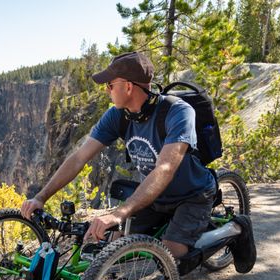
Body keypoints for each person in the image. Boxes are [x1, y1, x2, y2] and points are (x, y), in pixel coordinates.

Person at [20, 51, 218, 261]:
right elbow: (80, 157)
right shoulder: (117, 115)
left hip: (192, 194)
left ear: (129, 86)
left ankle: (234, 230)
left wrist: (118, 213)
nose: (107, 90)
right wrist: (41, 197)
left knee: (170, 255)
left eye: (110, 85)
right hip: (154, 197)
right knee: (114, 241)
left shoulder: (177, 111)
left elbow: (165, 169)